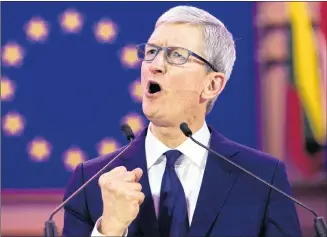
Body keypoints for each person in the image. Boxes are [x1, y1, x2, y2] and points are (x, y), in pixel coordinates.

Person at [62, 5, 302, 237]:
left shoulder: (262, 178)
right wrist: (110, 231)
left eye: (176, 55)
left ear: (211, 85)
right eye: (151, 52)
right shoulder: (92, 181)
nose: (155, 66)